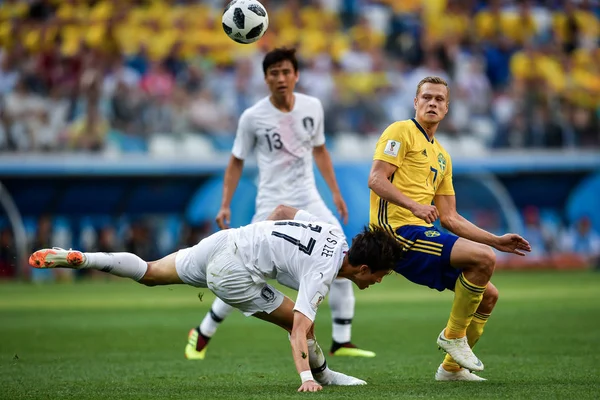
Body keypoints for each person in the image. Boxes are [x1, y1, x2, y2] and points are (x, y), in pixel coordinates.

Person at [29, 205, 403, 393]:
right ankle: (324, 376)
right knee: (299, 322)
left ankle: (84, 258)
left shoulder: (330, 231)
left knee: (150, 272)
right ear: (364, 267)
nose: (378, 281)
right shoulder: (323, 272)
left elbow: (286, 211)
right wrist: (305, 378)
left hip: (228, 240)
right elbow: (299, 330)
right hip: (234, 273)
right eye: (380, 275)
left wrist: (265, 232)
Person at [193, 47, 373, 360]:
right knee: (246, 271)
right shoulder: (252, 117)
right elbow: (236, 161)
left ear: (296, 75)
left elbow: (320, 151)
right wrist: (225, 203)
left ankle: (342, 340)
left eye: (286, 72)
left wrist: (335, 192)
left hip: (308, 197)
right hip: (271, 202)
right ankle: (204, 329)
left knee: (344, 257)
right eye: (273, 73)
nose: (280, 78)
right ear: (265, 78)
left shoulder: (312, 107)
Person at [368, 76, 532, 381]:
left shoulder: (443, 157)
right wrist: (414, 206)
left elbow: (451, 218)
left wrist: (496, 240)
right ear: (415, 102)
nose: (432, 103)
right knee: (483, 260)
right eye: (426, 97)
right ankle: (453, 336)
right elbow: (376, 179)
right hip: (394, 234)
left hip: (420, 233)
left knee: (488, 296)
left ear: (447, 108)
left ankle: (451, 369)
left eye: (439, 99)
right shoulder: (400, 131)